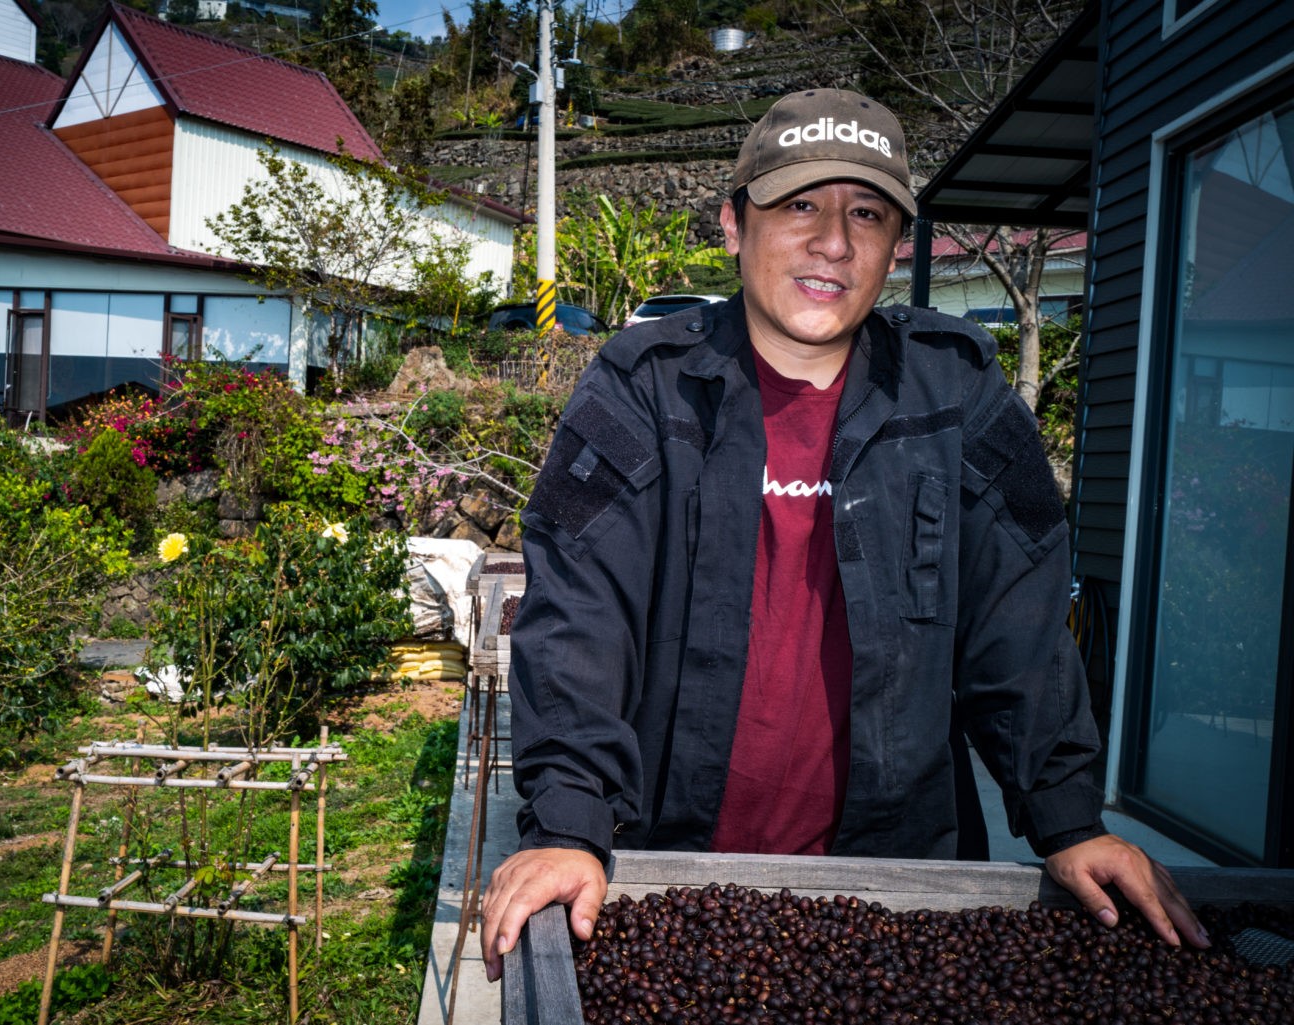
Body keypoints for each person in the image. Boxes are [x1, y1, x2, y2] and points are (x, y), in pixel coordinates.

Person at [479, 87, 1209, 982]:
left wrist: (1070, 819)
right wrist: (566, 824)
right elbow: (579, 615)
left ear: (896, 244)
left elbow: (1018, 627)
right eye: (800, 205)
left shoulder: (958, 394)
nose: (834, 241)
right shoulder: (642, 387)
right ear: (734, 223)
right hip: (670, 880)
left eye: (867, 213)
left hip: (898, 888)